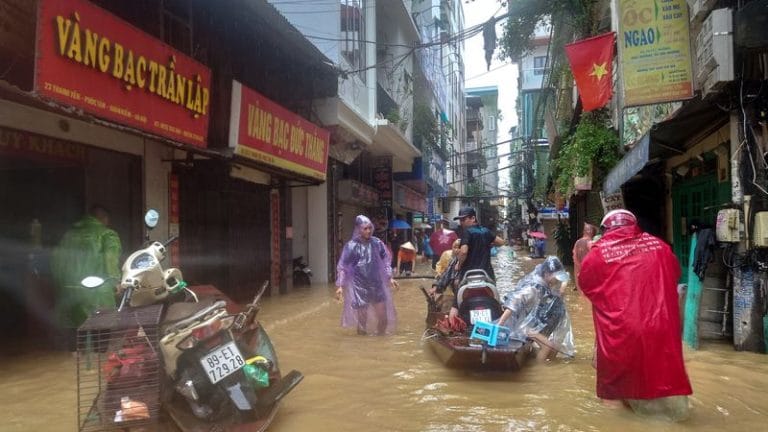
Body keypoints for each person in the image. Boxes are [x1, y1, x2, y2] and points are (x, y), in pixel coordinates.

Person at [578, 209, 692, 421]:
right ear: (634, 225)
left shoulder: (598, 252)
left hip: (620, 331)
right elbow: (674, 274)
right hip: (661, 327)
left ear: (606, 228)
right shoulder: (660, 247)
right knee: (662, 376)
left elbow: (587, 286)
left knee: (614, 390)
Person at [50, 205, 122, 351]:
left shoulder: (68, 235)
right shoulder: (107, 234)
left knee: (74, 344)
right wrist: (115, 281)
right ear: (104, 219)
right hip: (98, 293)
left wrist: (61, 285)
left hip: (69, 295)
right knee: (100, 338)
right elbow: (110, 259)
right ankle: (98, 364)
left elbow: (55, 261)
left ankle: (70, 366)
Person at [497, 256, 575, 360]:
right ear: (547, 273)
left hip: (532, 323)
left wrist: (562, 287)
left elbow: (563, 285)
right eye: (556, 277)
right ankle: (539, 370)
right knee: (547, 346)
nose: (557, 280)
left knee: (554, 346)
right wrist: (500, 324)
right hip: (522, 326)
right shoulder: (532, 288)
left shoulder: (547, 283)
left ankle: (543, 364)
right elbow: (513, 304)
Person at [335, 215, 398, 335]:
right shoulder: (351, 246)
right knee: (362, 323)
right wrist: (340, 285)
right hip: (360, 287)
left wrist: (389, 277)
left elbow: (386, 259)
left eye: (370, 228)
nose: (368, 231)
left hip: (377, 285)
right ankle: (362, 346)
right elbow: (343, 266)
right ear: (359, 229)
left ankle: (380, 341)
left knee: (383, 318)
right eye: (365, 228)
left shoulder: (377, 243)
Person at [448, 207, 505, 323]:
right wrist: (488, 244)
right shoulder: (486, 231)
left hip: (467, 277)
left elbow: (463, 251)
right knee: (496, 301)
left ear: (473, 218)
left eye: (464, 219)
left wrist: (458, 264)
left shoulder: (467, 232)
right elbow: (501, 242)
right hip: (487, 275)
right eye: (460, 220)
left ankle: (452, 328)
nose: (461, 222)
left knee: (455, 305)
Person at [571, 222, 598, 291]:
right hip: (589, 277)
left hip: (580, 276)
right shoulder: (593, 244)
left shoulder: (578, 242)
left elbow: (575, 261)